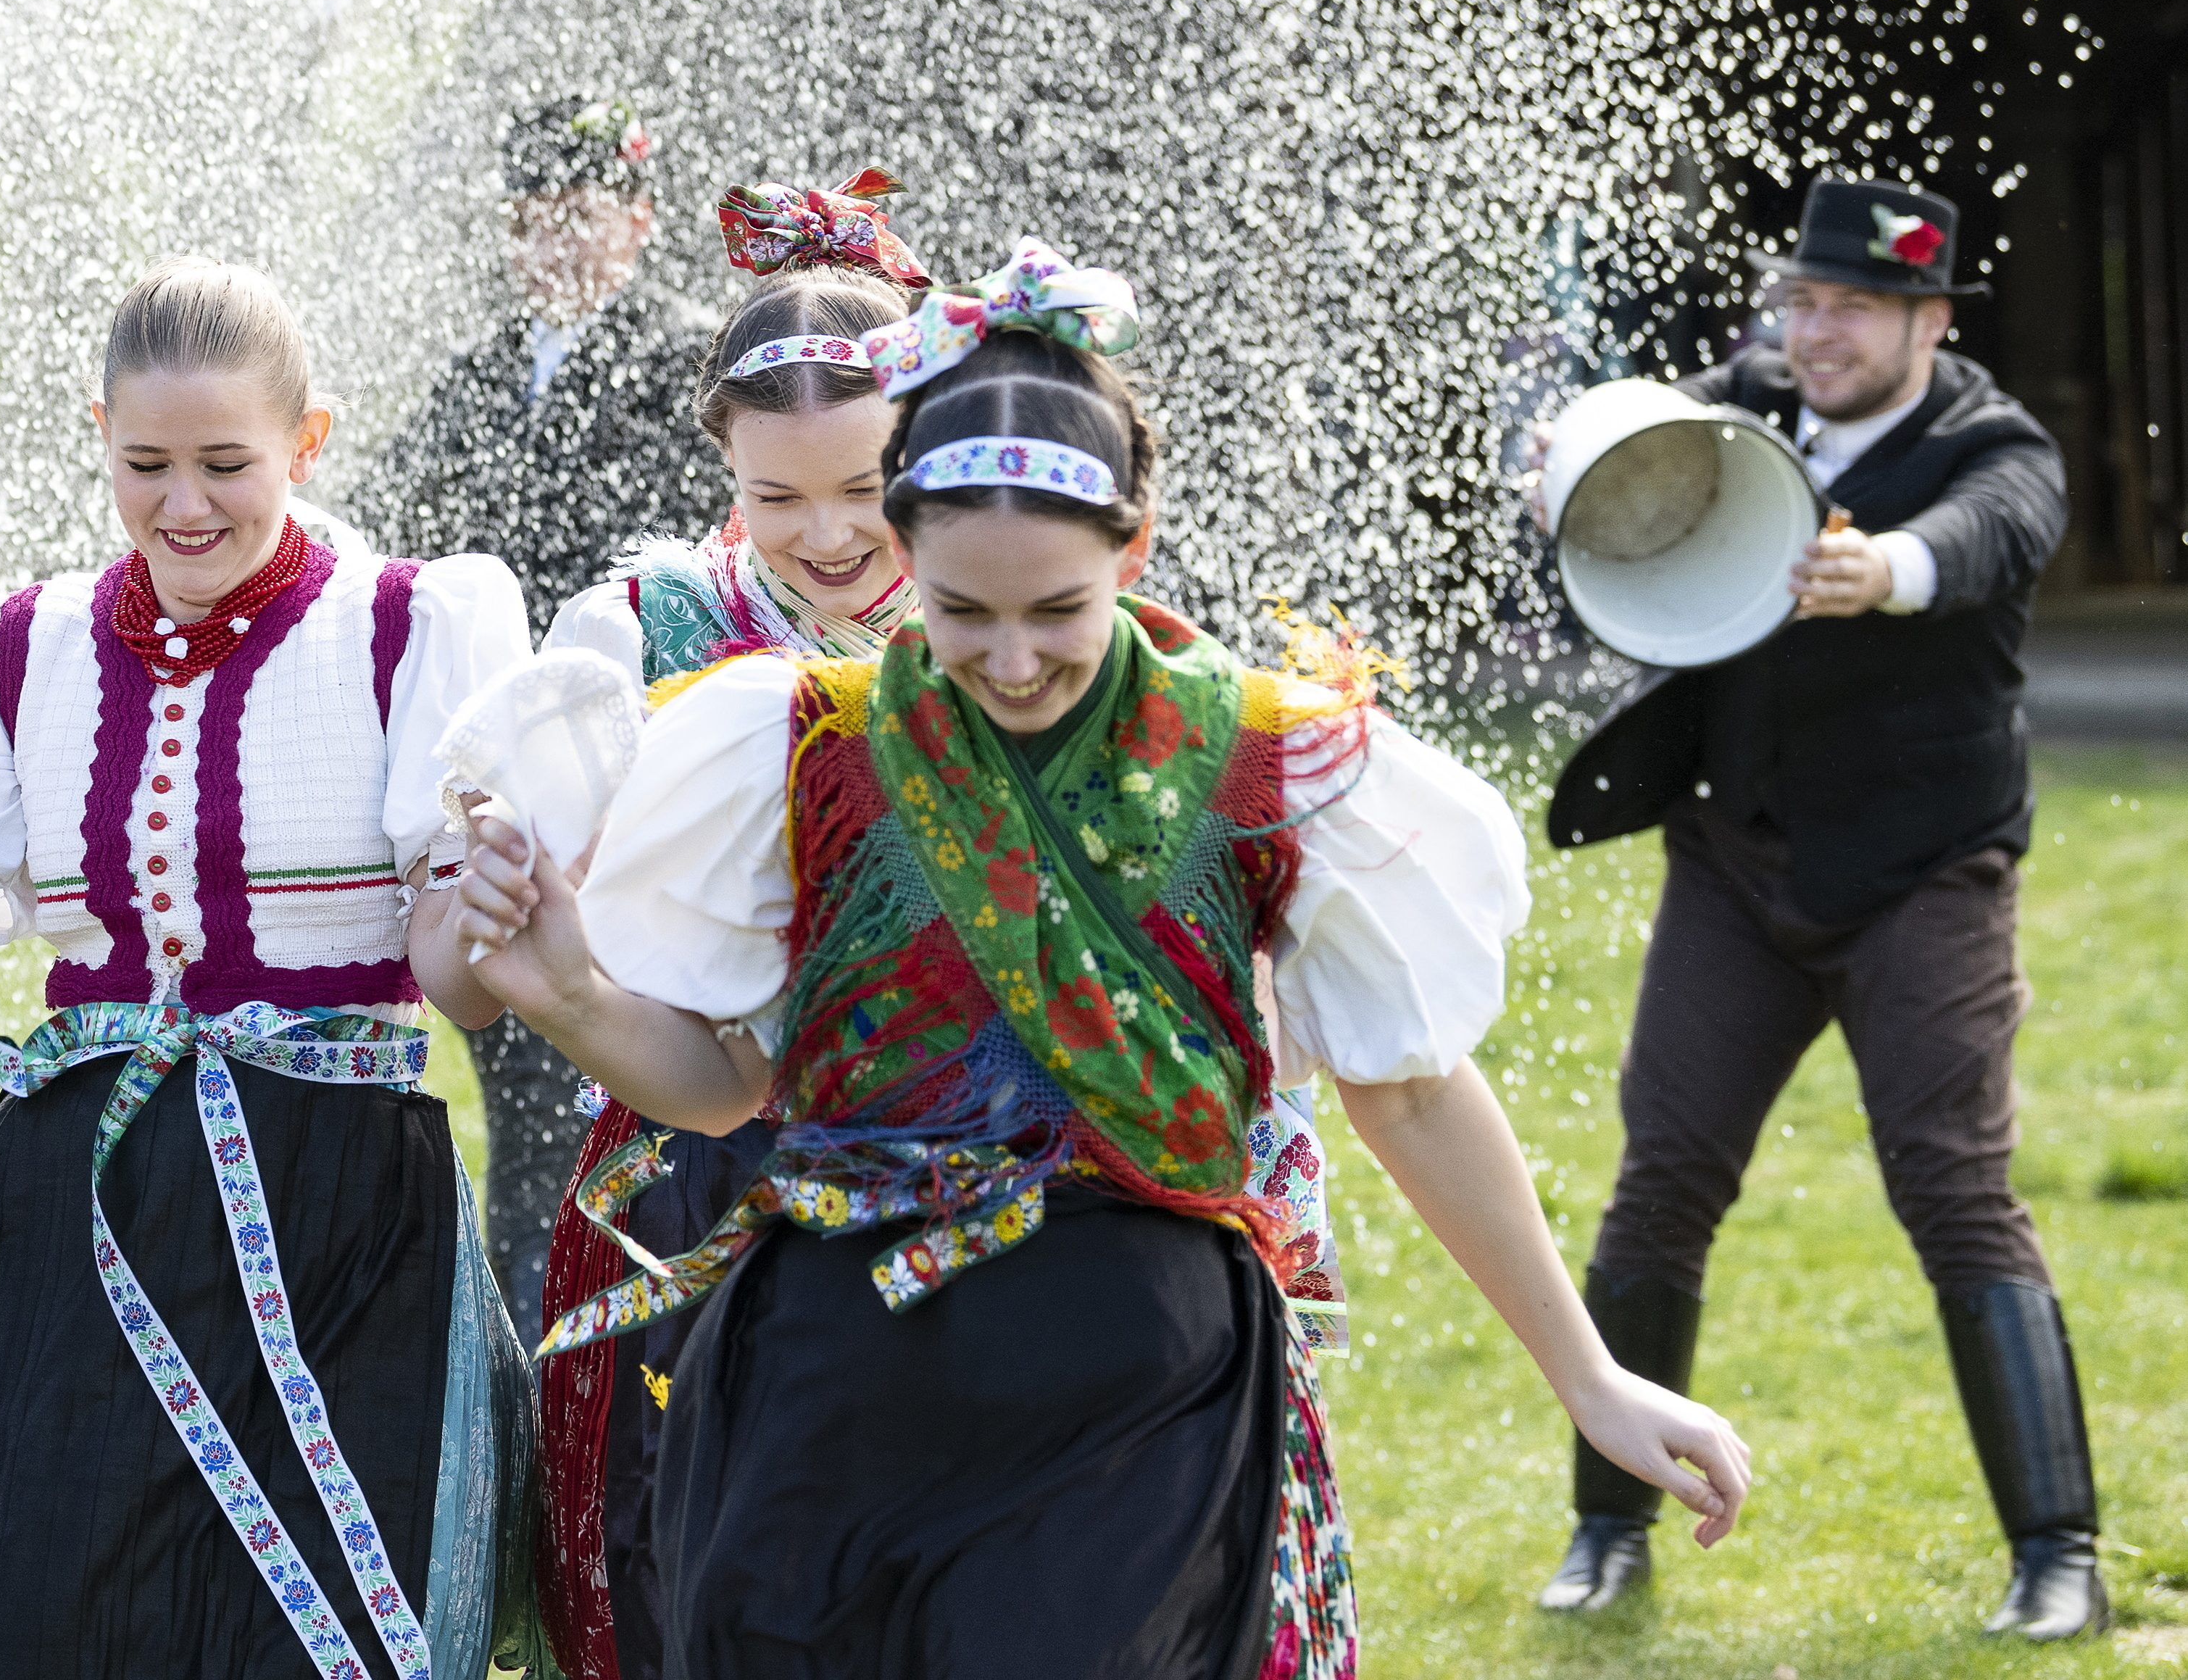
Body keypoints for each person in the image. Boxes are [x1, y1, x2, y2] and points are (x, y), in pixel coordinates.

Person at [454, 239, 1752, 1679]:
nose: (1008, 663)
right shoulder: (796, 745)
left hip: (1133, 1382)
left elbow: (1413, 1090)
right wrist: (567, 990)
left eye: (1055, 612)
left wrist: (1589, 1373)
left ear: (1130, 549)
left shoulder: (1274, 766)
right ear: (908, 544)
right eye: (961, 614)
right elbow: (720, 1092)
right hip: (834, 1372)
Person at [0, 259, 545, 1680]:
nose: (185, 505)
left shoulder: (405, 633)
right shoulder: (23, 654)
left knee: (301, 1645)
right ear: (100, 436)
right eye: (146, 464)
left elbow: (455, 979)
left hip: (341, 1218)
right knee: (19, 1617)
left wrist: (488, 905)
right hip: (70, 1203)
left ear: (310, 442)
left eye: (226, 464)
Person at [1533, 178, 2094, 1636]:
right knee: (1660, 1177)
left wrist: (1882, 568)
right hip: (1736, 865)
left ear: (1928, 320)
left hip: (1924, 876)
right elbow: (1615, 469)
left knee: (1954, 1191)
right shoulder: (1734, 406)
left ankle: (2061, 1561)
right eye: (1802, 300)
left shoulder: (1991, 439)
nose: (1816, 330)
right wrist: (1562, 454)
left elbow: (1992, 533)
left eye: (1852, 306)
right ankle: (1606, 1536)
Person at [525, 167, 923, 1680]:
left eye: (863, 489)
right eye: (777, 497)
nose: (824, 536)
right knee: (717, 1567)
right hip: (703, 1161)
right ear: (724, 470)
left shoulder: (1003, 608)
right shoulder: (647, 617)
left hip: (955, 1146)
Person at [352, 96, 728, 1333]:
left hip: (641, 807)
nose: (556, 245)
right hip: (498, 809)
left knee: (641, 1131)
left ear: (638, 221)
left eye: (583, 215)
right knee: (524, 1140)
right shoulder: (475, 384)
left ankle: (639, 1376)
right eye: (532, 220)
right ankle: (536, 1389)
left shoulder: (691, 369)